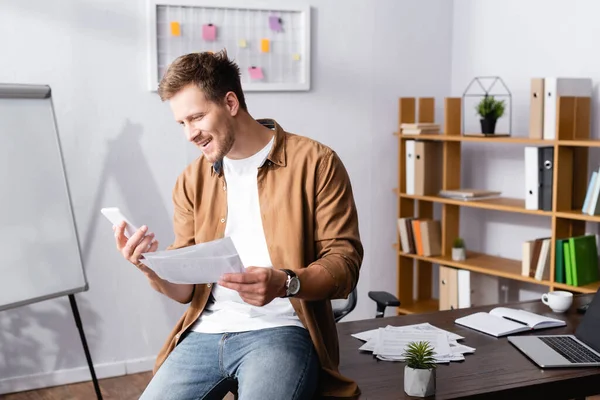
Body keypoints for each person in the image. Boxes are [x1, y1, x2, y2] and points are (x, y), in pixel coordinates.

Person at [113, 50, 363, 400]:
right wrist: (150, 267)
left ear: (230, 102)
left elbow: (345, 264)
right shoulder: (191, 180)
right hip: (205, 331)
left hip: (281, 329)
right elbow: (186, 292)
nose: (190, 134)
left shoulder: (316, 162)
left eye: (197, 117)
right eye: (182, 123)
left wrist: (286, 283)